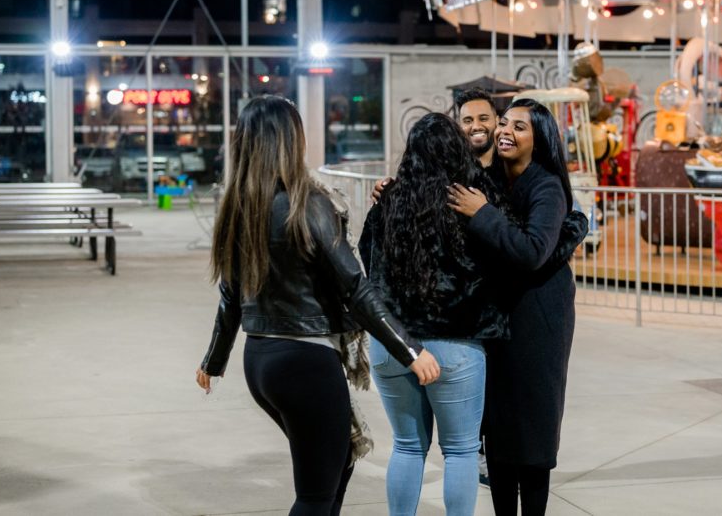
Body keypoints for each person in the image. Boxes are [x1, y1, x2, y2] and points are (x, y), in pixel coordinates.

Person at [196, 95, 440, 516]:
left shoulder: (241, 206)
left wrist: (215, 360)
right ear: (291, 139)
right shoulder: (306, 204)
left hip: (261, 362)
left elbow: (230, 297)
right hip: (305, 362)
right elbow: (355, 288)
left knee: (338, 460)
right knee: (314, 493)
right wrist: (410, 350)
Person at [359, 113, 508, 516]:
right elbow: (500, 262)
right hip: (454, 345)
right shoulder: (473, 201)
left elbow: (367, 261)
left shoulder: (387, 201)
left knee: (407, 447)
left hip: (392, 344)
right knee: (460, 452)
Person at [448, 98, 586, 516]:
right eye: (504, 122)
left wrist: (484, 214)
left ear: (539, 139)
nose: (506, 130)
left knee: (533, 431)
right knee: (500, 432)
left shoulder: (546, 186)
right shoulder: (491, 177)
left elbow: (531, 251)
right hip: (497, 321)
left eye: (519, 127)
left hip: (538, 320)